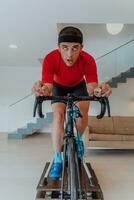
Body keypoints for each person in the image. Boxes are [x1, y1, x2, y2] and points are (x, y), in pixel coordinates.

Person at [32, 26, 111, 178]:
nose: (70, 54)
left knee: (81, 115)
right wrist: (41, 90)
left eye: (75, 48)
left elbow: (91, 87)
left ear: (81, 47)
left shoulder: (88, 59)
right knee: (59, 116)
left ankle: (79, 140)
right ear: (58, 47)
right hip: (58, 86)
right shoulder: (50, 58)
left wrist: (99, 91)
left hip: (79, 86)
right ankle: (57, 159)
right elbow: (48, 87)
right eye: (65, 48)